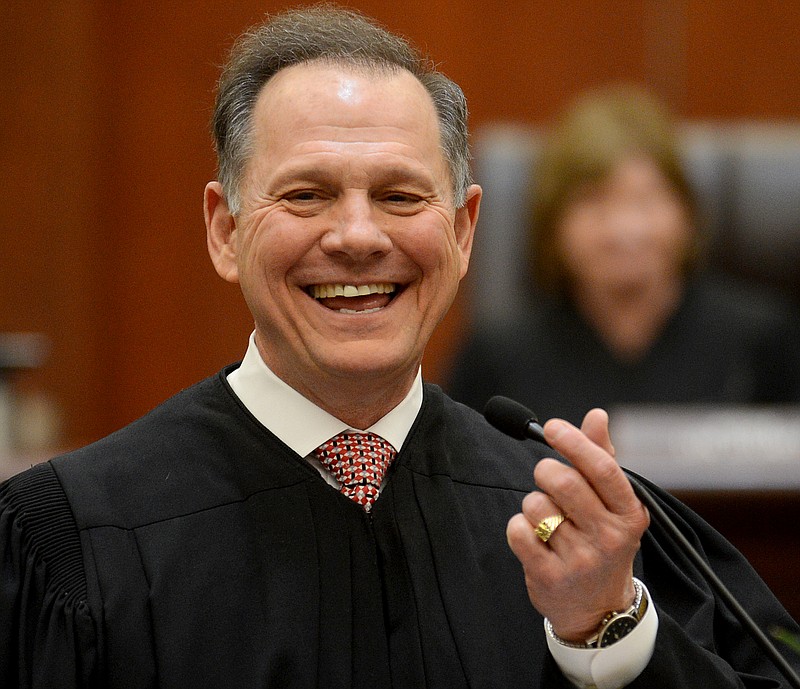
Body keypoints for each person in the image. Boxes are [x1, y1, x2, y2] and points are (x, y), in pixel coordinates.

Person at [1, 7, 798, 688]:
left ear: (460, 231)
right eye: (307, 194)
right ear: (226, 230)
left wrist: (607, 636)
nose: (356, 236)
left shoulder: (581, 530)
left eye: (400, 196)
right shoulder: (76, 539)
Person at [448, 85, 800, 425]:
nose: (625, 228)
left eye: (647, 199)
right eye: (596, 202)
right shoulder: (498, 359)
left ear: (687, 213)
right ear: (553, 223)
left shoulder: (762, 344)